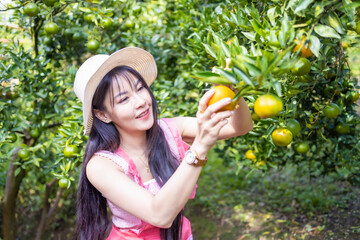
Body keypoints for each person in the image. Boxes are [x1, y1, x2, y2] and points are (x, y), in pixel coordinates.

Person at [73, 47, 253, 240]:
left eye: (140, 88)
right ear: (103, 114)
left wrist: (234, 92)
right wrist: (199, 147)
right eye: (124, 99)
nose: (141, 101)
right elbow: (159, 215)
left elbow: (239, 127)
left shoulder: (169, 130)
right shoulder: (101, 165)